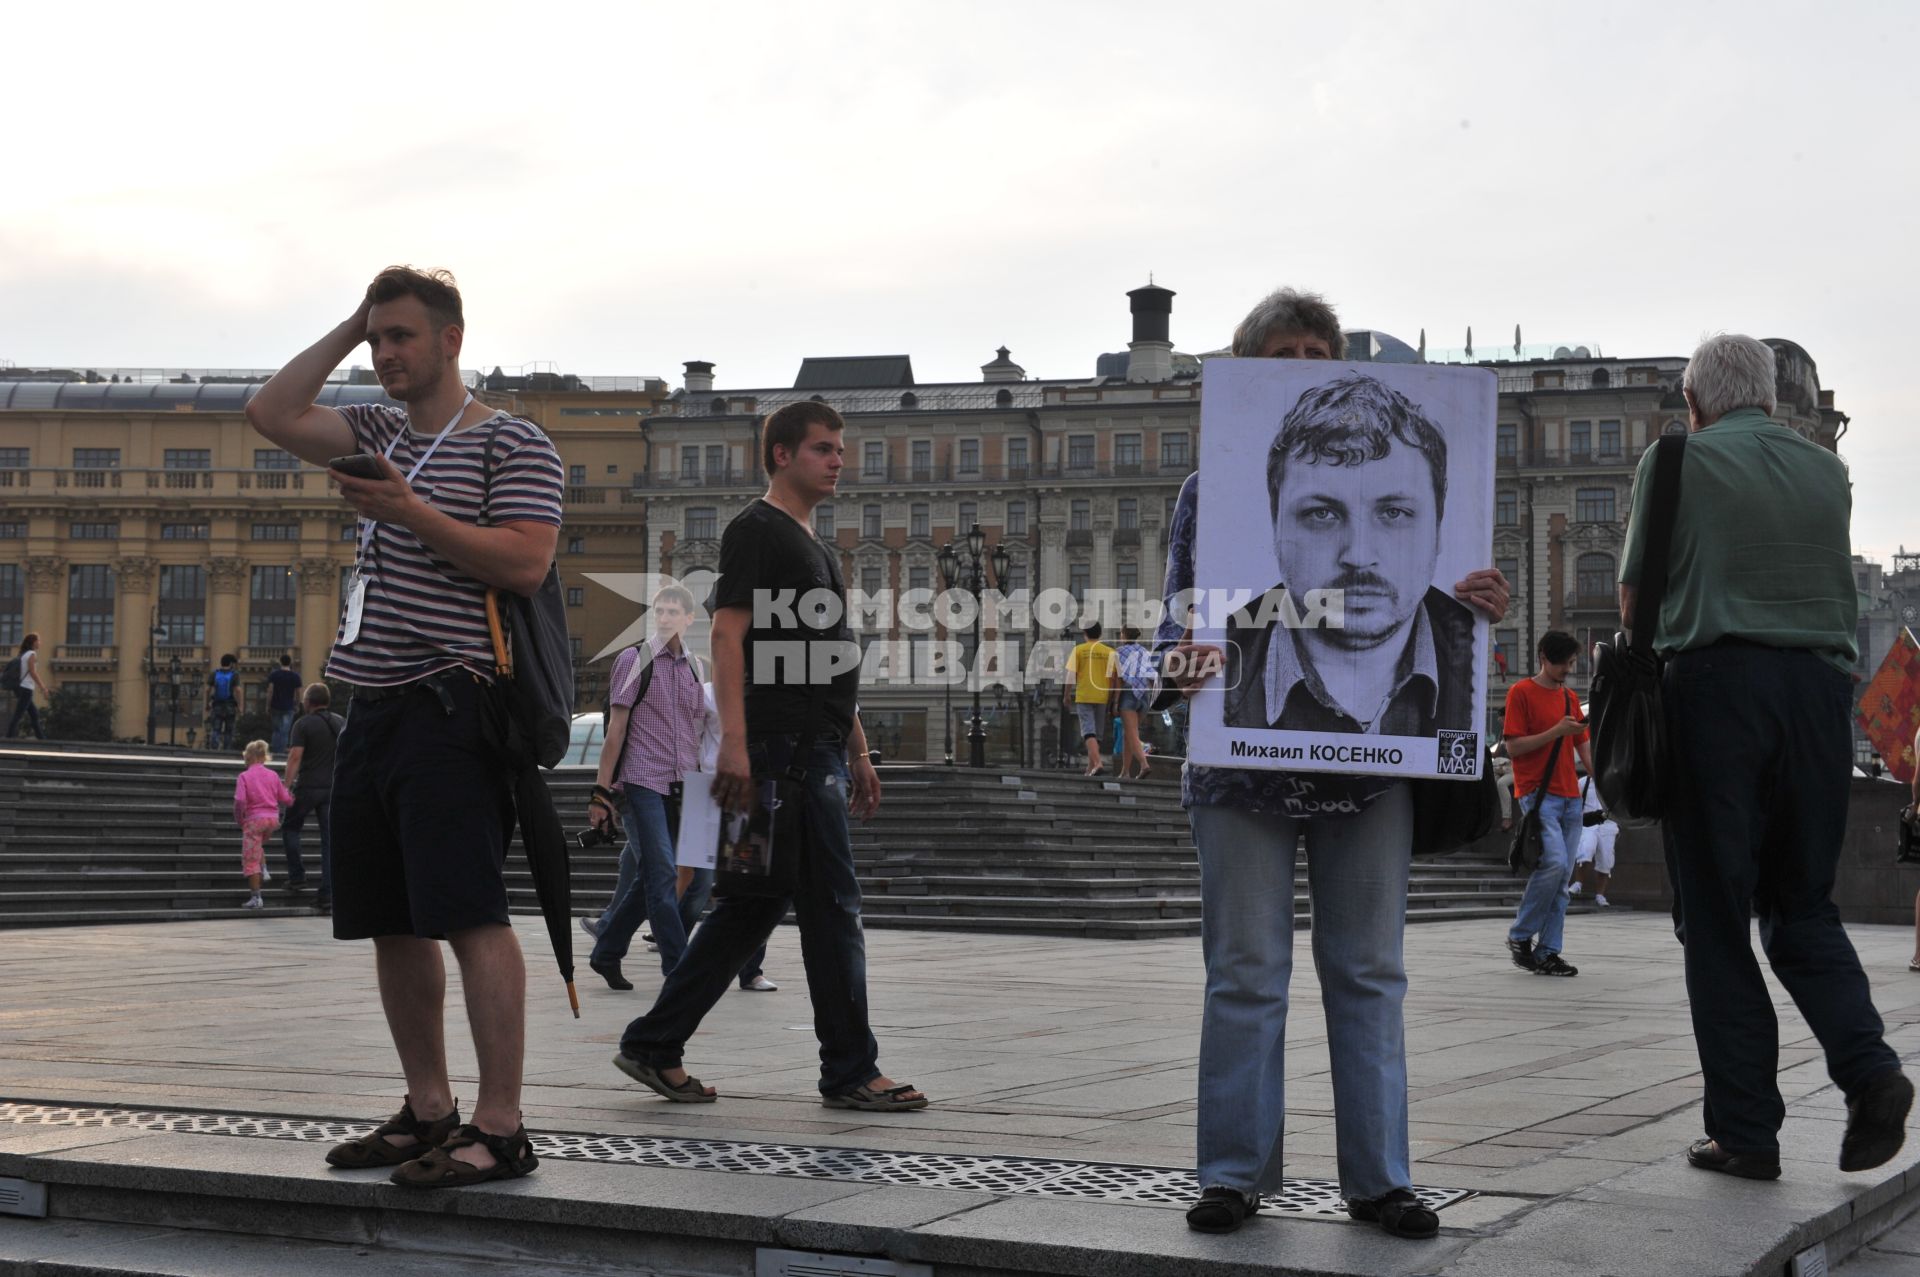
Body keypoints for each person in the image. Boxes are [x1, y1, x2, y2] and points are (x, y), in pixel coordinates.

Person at [1158, 286, 1510, 1239]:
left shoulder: (1424, 555)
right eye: (1288, 350)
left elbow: (1465, 658)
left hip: (1372, 774)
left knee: (1369, 969)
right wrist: (1175, 663)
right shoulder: (1209, 492)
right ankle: (1233, 1173)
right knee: (1245, 969)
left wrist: (1479, 608)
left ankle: (1381, 1179)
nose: (1309, 361)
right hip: (1240, 773)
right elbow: (1168, 633)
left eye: (1324, 349)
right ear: (1249, 371)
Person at [244, 265, 561, 1188]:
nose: (385, 354)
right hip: (369, 707)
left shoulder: (514, 442)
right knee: (389, 920)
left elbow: (528, 562)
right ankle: (429, 1108)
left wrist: (407, 509)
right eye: (377, 339)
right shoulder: (375, 428)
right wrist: (349, 322)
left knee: (469, 914)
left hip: (453, 703)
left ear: (451, 340)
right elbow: (270, 412)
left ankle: (500, 1126)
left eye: (401, 337)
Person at [1622, 332, 1911, 1181]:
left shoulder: (1677, 461)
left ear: (1696, 402)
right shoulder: (1827, 472)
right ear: (1773, 399)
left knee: (1715, 919)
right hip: (1820, 699)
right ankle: (1870, 1072)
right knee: (1803, 906)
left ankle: (1744, 1131)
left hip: (1716, 693)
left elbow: (1636, 594)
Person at [613, 401, 925, 1113]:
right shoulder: (757, 530)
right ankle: (850, 1068)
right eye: (823, 448)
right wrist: (735, 744)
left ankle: (654, 1043)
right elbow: (726, 634)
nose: (839, 459)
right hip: (783, 757)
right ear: (782, 454)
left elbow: (828, 660)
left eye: (841, 448)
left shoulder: (815, 546)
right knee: (833, 908)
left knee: (748, 907)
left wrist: (861, 750)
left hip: (811, 747)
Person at [1222, 372, 1474, 736]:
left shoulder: (1474, 647)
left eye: (1393, 513)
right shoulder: (1222, 651)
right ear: (1274, 523)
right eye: (1321, 514)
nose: (1358, 555)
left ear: (1438, 526)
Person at [584, 583, 771, 992]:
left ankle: (606, 951)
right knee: (665, 874)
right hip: (640, 780)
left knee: (650, 878)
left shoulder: (697, 669)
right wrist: (600, 793)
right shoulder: (633, 660)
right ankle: (679, 969)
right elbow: (615, 730)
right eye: (660, 611)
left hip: (684, 785)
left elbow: (706, 728)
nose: (666, 617)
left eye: (674, 612)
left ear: (689, 619)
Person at [1502, 631, 1590, 977]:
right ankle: (1521, 935)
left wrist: (1608, 784)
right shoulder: (1520, 692)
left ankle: (1548, 952)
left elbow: (1584, 748)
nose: (1568, 668)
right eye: (1562, 663)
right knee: (1553, 865)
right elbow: (1514, 748)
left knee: (1562, 880)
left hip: (1571, 798)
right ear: (1543, 657)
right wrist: (1556, 731)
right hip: (1539, 796)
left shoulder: (1570, 698)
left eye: (1571, 662)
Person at [283, 682, 345, 909]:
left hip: (308, 787)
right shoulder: (340, 722)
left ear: (308, 702)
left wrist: (286, 786)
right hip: (333, 789)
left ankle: (297, 876)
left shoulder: (303, 724)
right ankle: (327, 893)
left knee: (290, 828)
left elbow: (295, 757)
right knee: (329, 841)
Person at [233, 739, 293, 910]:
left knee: (250, 859)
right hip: (272, 820)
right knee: (257, 846)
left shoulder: (244, 776)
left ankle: (256, 898)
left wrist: (240, 819)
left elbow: (240, 801)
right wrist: (292, 800)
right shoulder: (273, 774)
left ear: (249, 756)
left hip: (254, 820)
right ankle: (264, 869)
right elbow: (285, 797)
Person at [1064, 622, 1117, 776]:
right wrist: (1113, 698)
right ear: (1100, 634)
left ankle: (1098, 764)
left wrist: (1067, 695)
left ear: (1085, 634)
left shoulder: (1079, 650)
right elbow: (1113, 678)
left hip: (1085, 694)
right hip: (1103, 696)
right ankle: (1090, 768)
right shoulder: (1109, 652)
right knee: (1096, 734)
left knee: (1088, 732)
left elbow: (1070, 675)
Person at [1568, 772, 1616, 907]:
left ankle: (1600, 895)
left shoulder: (1612, 781)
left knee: (1606, 859)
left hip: (1608, 824)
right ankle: (1578, 883)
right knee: (1585, 849)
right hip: (1588, 821)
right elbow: (1575, 802)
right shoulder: (1584, 782)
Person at [1113, 626, 1154, 779]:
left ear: (1123, 635)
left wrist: (1115, 702)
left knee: (1132, 734)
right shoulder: (1144, 651)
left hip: (1128, 694)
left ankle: (1144, 765)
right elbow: (1151, 676)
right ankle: (1125, 771)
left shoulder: (1118, 652)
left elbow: (1118, 678)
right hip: (1144, 695)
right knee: (1128, 734)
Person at [3, 633, 45, 741]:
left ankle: (42, 739)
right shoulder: (31, 654)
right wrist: (42, 687)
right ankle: (8, 737)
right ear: (34, 642)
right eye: (38, 641)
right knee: (19, 714)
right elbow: (32, 672)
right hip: (26, 688)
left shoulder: (23, 654)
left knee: (34, 714)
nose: (40, 643)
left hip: (20, 687)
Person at [267, 655, 303, 754]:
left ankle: (275, 750)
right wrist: (297, 704)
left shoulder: (274, 675)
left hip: (275, 706)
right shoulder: (295, 676)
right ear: (290, 663)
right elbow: (298, 692)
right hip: (288, 707)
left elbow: (270, 691)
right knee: (285, 731)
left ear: (280, 662)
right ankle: (281, 752)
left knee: (276, 730)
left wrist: (268, 705)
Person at [206, 653, 240, 752]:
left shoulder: (214, 673)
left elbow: (207, 690)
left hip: (217, 705)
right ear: (231, 664)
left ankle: (214, 748)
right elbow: (238, 690)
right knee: (229, 730)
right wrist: (240, 705)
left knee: (216, 728)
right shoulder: (234, 674)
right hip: (230, 705)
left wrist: (207, 703)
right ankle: (226, 750)